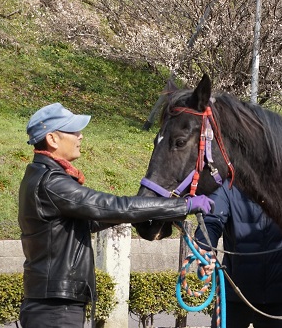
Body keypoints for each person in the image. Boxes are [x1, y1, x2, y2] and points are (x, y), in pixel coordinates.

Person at [18, 102, 212, 328]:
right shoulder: (52, 183)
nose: (80, 136)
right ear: (52, 139)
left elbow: (96, 218)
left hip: (53, 303)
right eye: (73, 132)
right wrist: (182, 206)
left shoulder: (41, 176)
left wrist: (147, 211)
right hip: (55, 309)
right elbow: (110, 207)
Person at [195, 184, 282, 328]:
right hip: (234, 295)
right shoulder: (229, 187)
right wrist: (206, 249)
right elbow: (211, 221)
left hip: (275, 298)